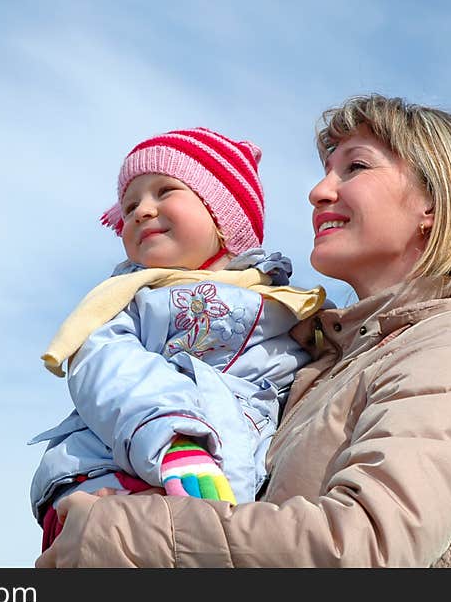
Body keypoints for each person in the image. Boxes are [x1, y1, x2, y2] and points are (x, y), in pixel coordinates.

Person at [35, 94, 451, 568]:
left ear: (435, 203)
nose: (319, 191)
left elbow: (367, 547)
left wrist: (114, 534)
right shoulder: (325, 360)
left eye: (354, 167)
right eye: (325, 171)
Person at [29, 127, 326, 550]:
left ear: (225, 218)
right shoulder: (130, 299)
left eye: (165, 191)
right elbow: (109, 368)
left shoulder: (284, 304)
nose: (141, 212)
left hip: (230, 490)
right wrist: (174, 439)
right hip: (116, 474)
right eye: (130, 205)